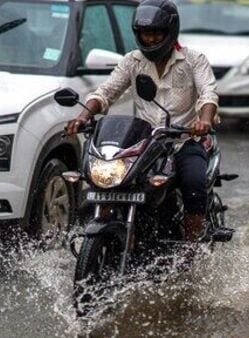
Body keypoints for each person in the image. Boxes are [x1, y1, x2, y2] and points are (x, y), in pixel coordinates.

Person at [66, 0, 219, 242]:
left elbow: (208, 94)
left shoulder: (193, 60)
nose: (151, 39)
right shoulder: (132, 61)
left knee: (193, 184)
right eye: (146, 34)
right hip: (147, 143)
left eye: (156, 33)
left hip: (185, 140)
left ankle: (192, 249)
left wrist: (205, 120)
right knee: (112, 182)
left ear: (170, 32)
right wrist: (84, 115)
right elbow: (106, 92)